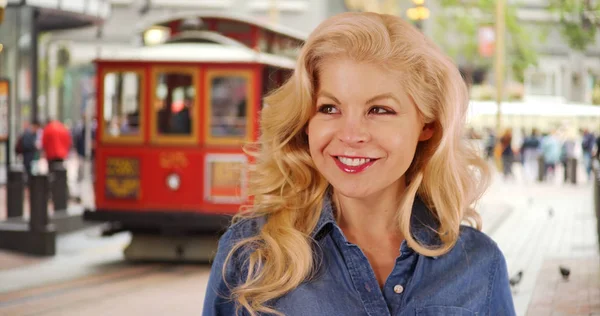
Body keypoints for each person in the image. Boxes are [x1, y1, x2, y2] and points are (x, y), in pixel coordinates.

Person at [203, 12, 515, 316]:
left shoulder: (478, 264)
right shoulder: (252, 252)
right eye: (329, 108)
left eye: (379, 110)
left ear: (426, 125)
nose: (351, 135)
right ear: (305, 122)